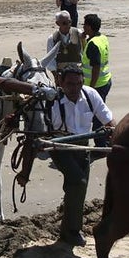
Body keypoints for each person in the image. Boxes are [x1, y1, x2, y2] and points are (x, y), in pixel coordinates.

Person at [19, 64, 114, 246]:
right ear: (60, 81)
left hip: (83, 147)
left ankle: (65, 230)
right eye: (70, 84)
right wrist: (25, 173)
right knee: (78, 182)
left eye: (78, 84)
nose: (75, 88)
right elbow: (33, 137)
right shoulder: (51, 101)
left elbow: (108, 120)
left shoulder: (90, 95)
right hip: (60, 147)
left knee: (78, 188)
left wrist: (116, 136)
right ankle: (73, 231)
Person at [44, 11, 83, 84]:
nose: (68, 25)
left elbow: (84, 53)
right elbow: (50, 60)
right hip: (62, 75)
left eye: (69, 22)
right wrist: (56, 76)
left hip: (77, 73)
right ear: (57, 23)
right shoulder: (52, 38)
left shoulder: (78, 33)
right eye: (64, 23)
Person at [81, 14, 112, 101]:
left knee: (95, 111)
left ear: (89, 27)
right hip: (106, 80)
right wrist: (83, 40)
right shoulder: (102, 38)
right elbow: (87, 54)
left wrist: (91, 88)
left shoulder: (93, 44)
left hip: (97, 84)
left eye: (84, 25)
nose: (83, 27)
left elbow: (96, 67)